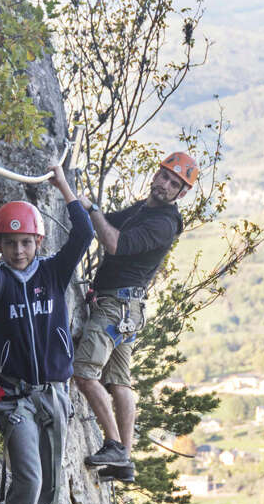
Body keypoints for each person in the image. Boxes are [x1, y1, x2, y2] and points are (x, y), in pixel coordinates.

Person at [0, 165, 94, 504]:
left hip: (54, 394)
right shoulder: (0, 279)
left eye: (26, 242)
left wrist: (62, 184)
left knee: (53, 478)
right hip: (14, 398)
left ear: (38, 242)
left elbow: (83, 234)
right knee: (29, 475)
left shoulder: (53, 274)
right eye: (10, 242)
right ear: (0, 244)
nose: (19, 250)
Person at [73, 152, 199, 483]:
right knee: (118, 382)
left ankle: (114, 444)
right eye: (165, 176)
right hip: (127, 309)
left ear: (181, 194)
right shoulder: (145, 210)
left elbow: (113, 242)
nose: (166, 185)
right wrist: (77, 203)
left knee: (84, 374)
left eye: (175, 183)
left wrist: (91, 207)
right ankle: (124, 461)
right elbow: (108, 222)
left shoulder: (162, 223)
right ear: (156, 175)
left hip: (117, 307)